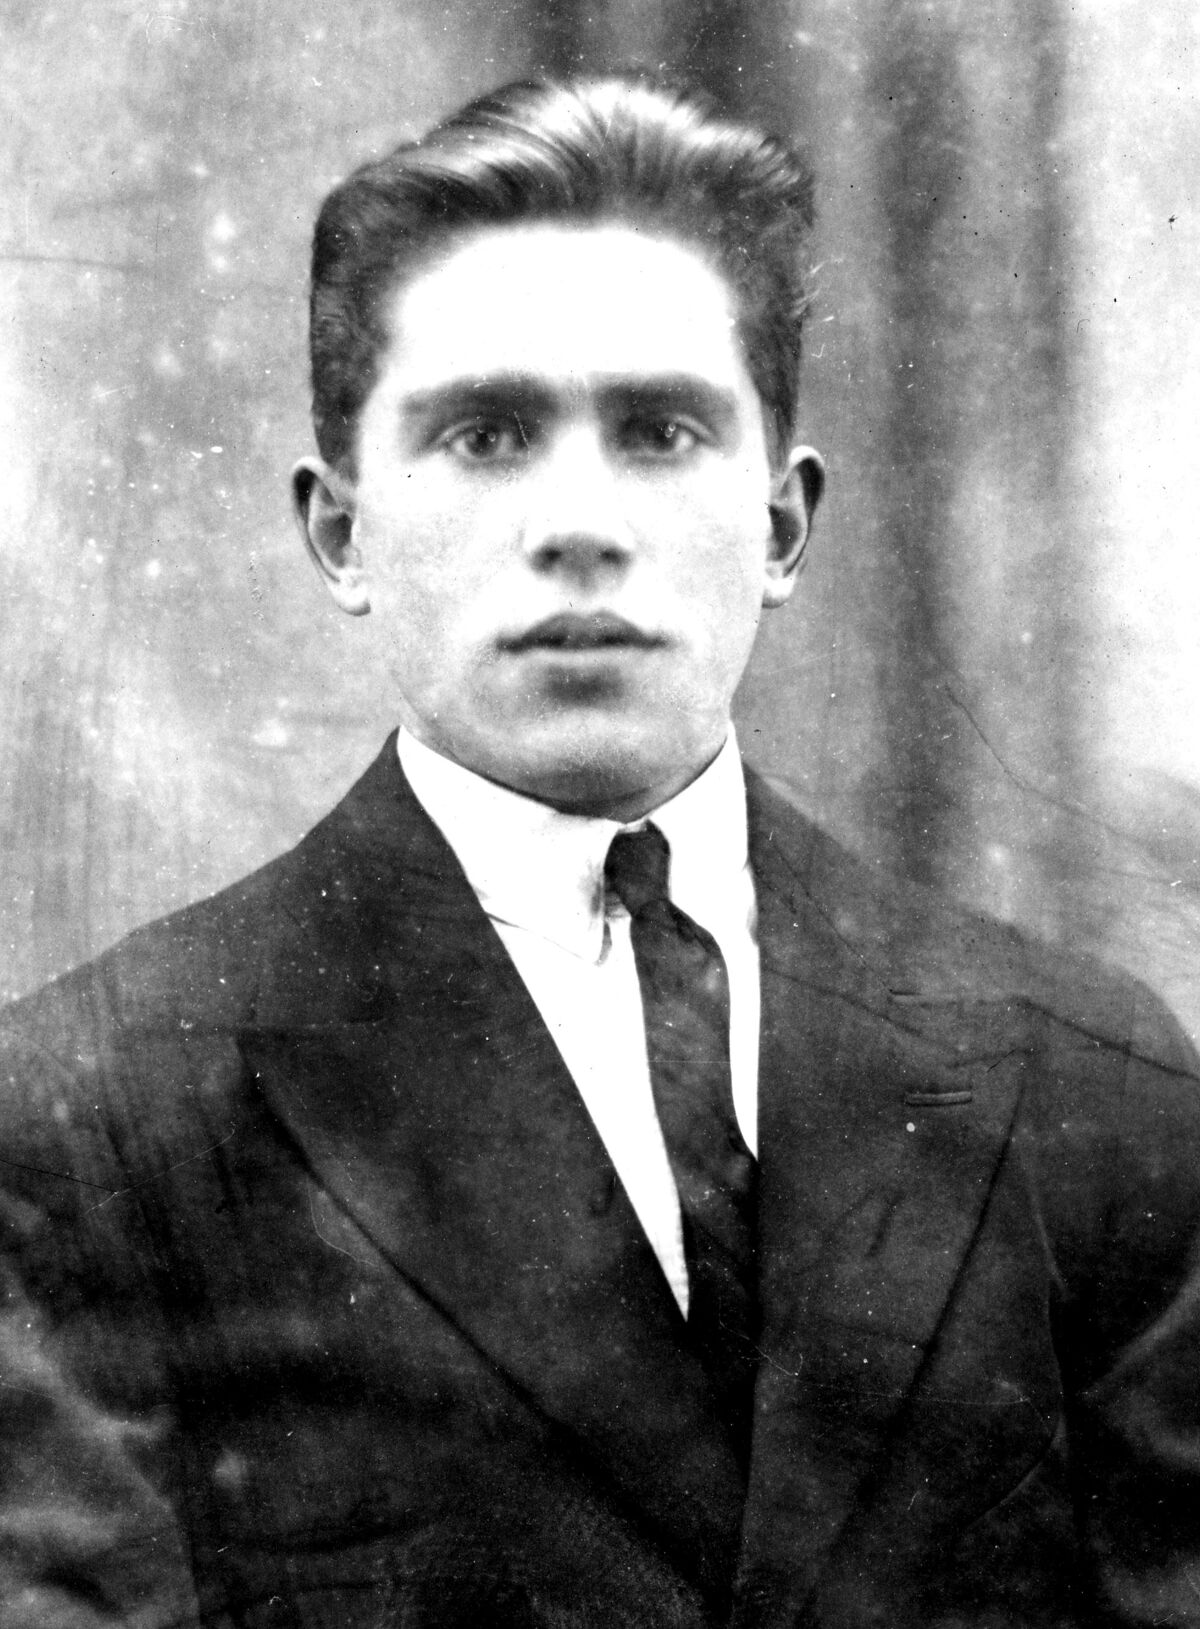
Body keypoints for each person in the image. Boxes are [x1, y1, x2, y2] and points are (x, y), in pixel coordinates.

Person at [2, 71, 1200, 1629]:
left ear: (782, 525)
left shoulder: (1091, 1085)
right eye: (487, 433)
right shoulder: (96, 1123)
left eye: (659, 431)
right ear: (342, 532)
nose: (578, 521)